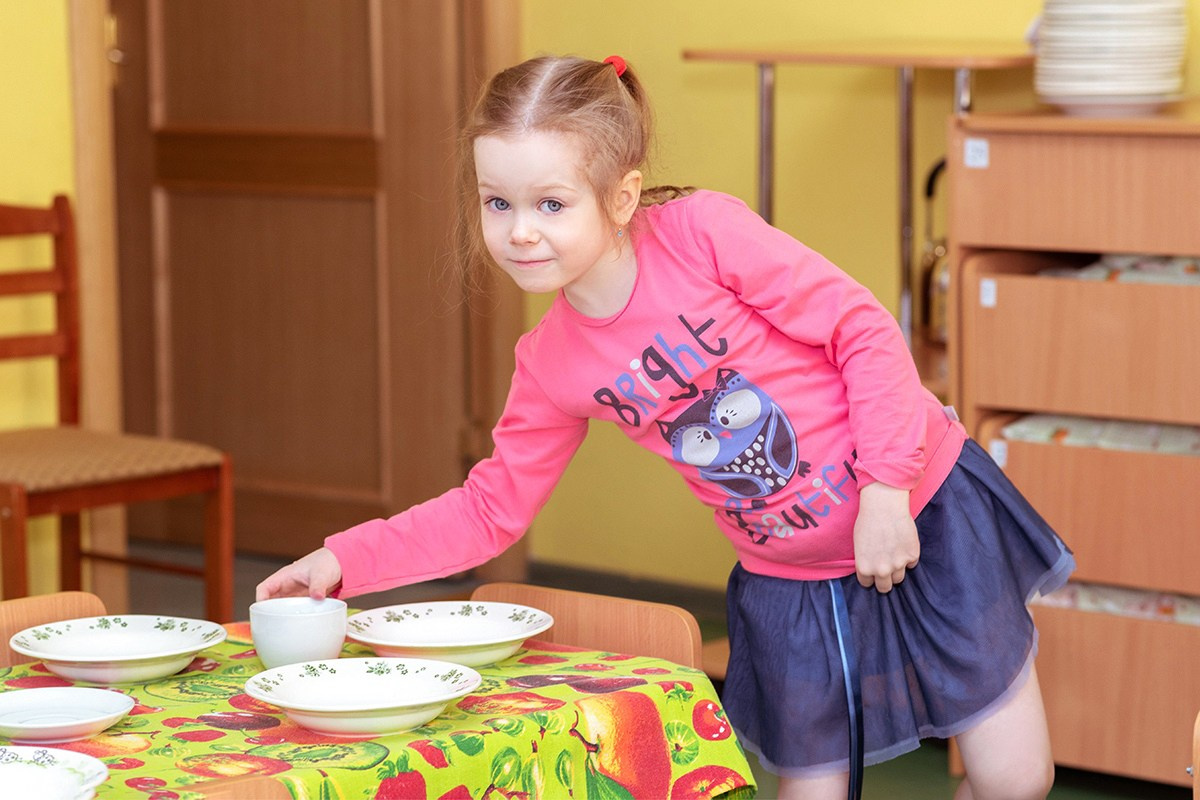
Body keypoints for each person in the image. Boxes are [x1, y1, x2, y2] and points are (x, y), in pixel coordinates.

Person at [256, 54, 1074, 800]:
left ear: (620, 196)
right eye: (496, 203)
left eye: (550, 202)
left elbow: (860, 327)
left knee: (1015, 779)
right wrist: (343, 559)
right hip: (791, 582)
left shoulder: (703, 234)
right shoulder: (551, 362)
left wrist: (888, 490)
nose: (519, 231)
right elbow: (489, 510)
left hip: (920, 510)